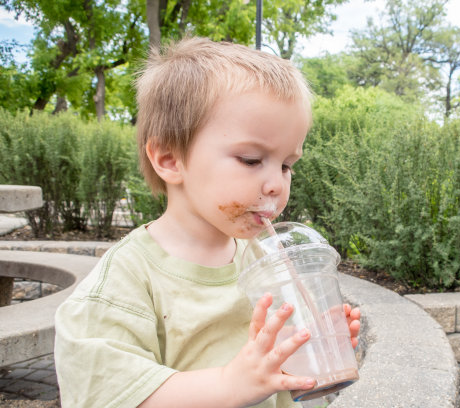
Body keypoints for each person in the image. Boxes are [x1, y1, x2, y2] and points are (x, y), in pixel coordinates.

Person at [54, 36, 361, 408]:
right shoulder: (127, 281)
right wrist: (232, 385)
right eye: (251, 159)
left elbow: (286, 381)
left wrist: (312, 344)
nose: (276, 183)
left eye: (286, 165)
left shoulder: (264, 259)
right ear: (169, 159)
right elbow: (107, 395)